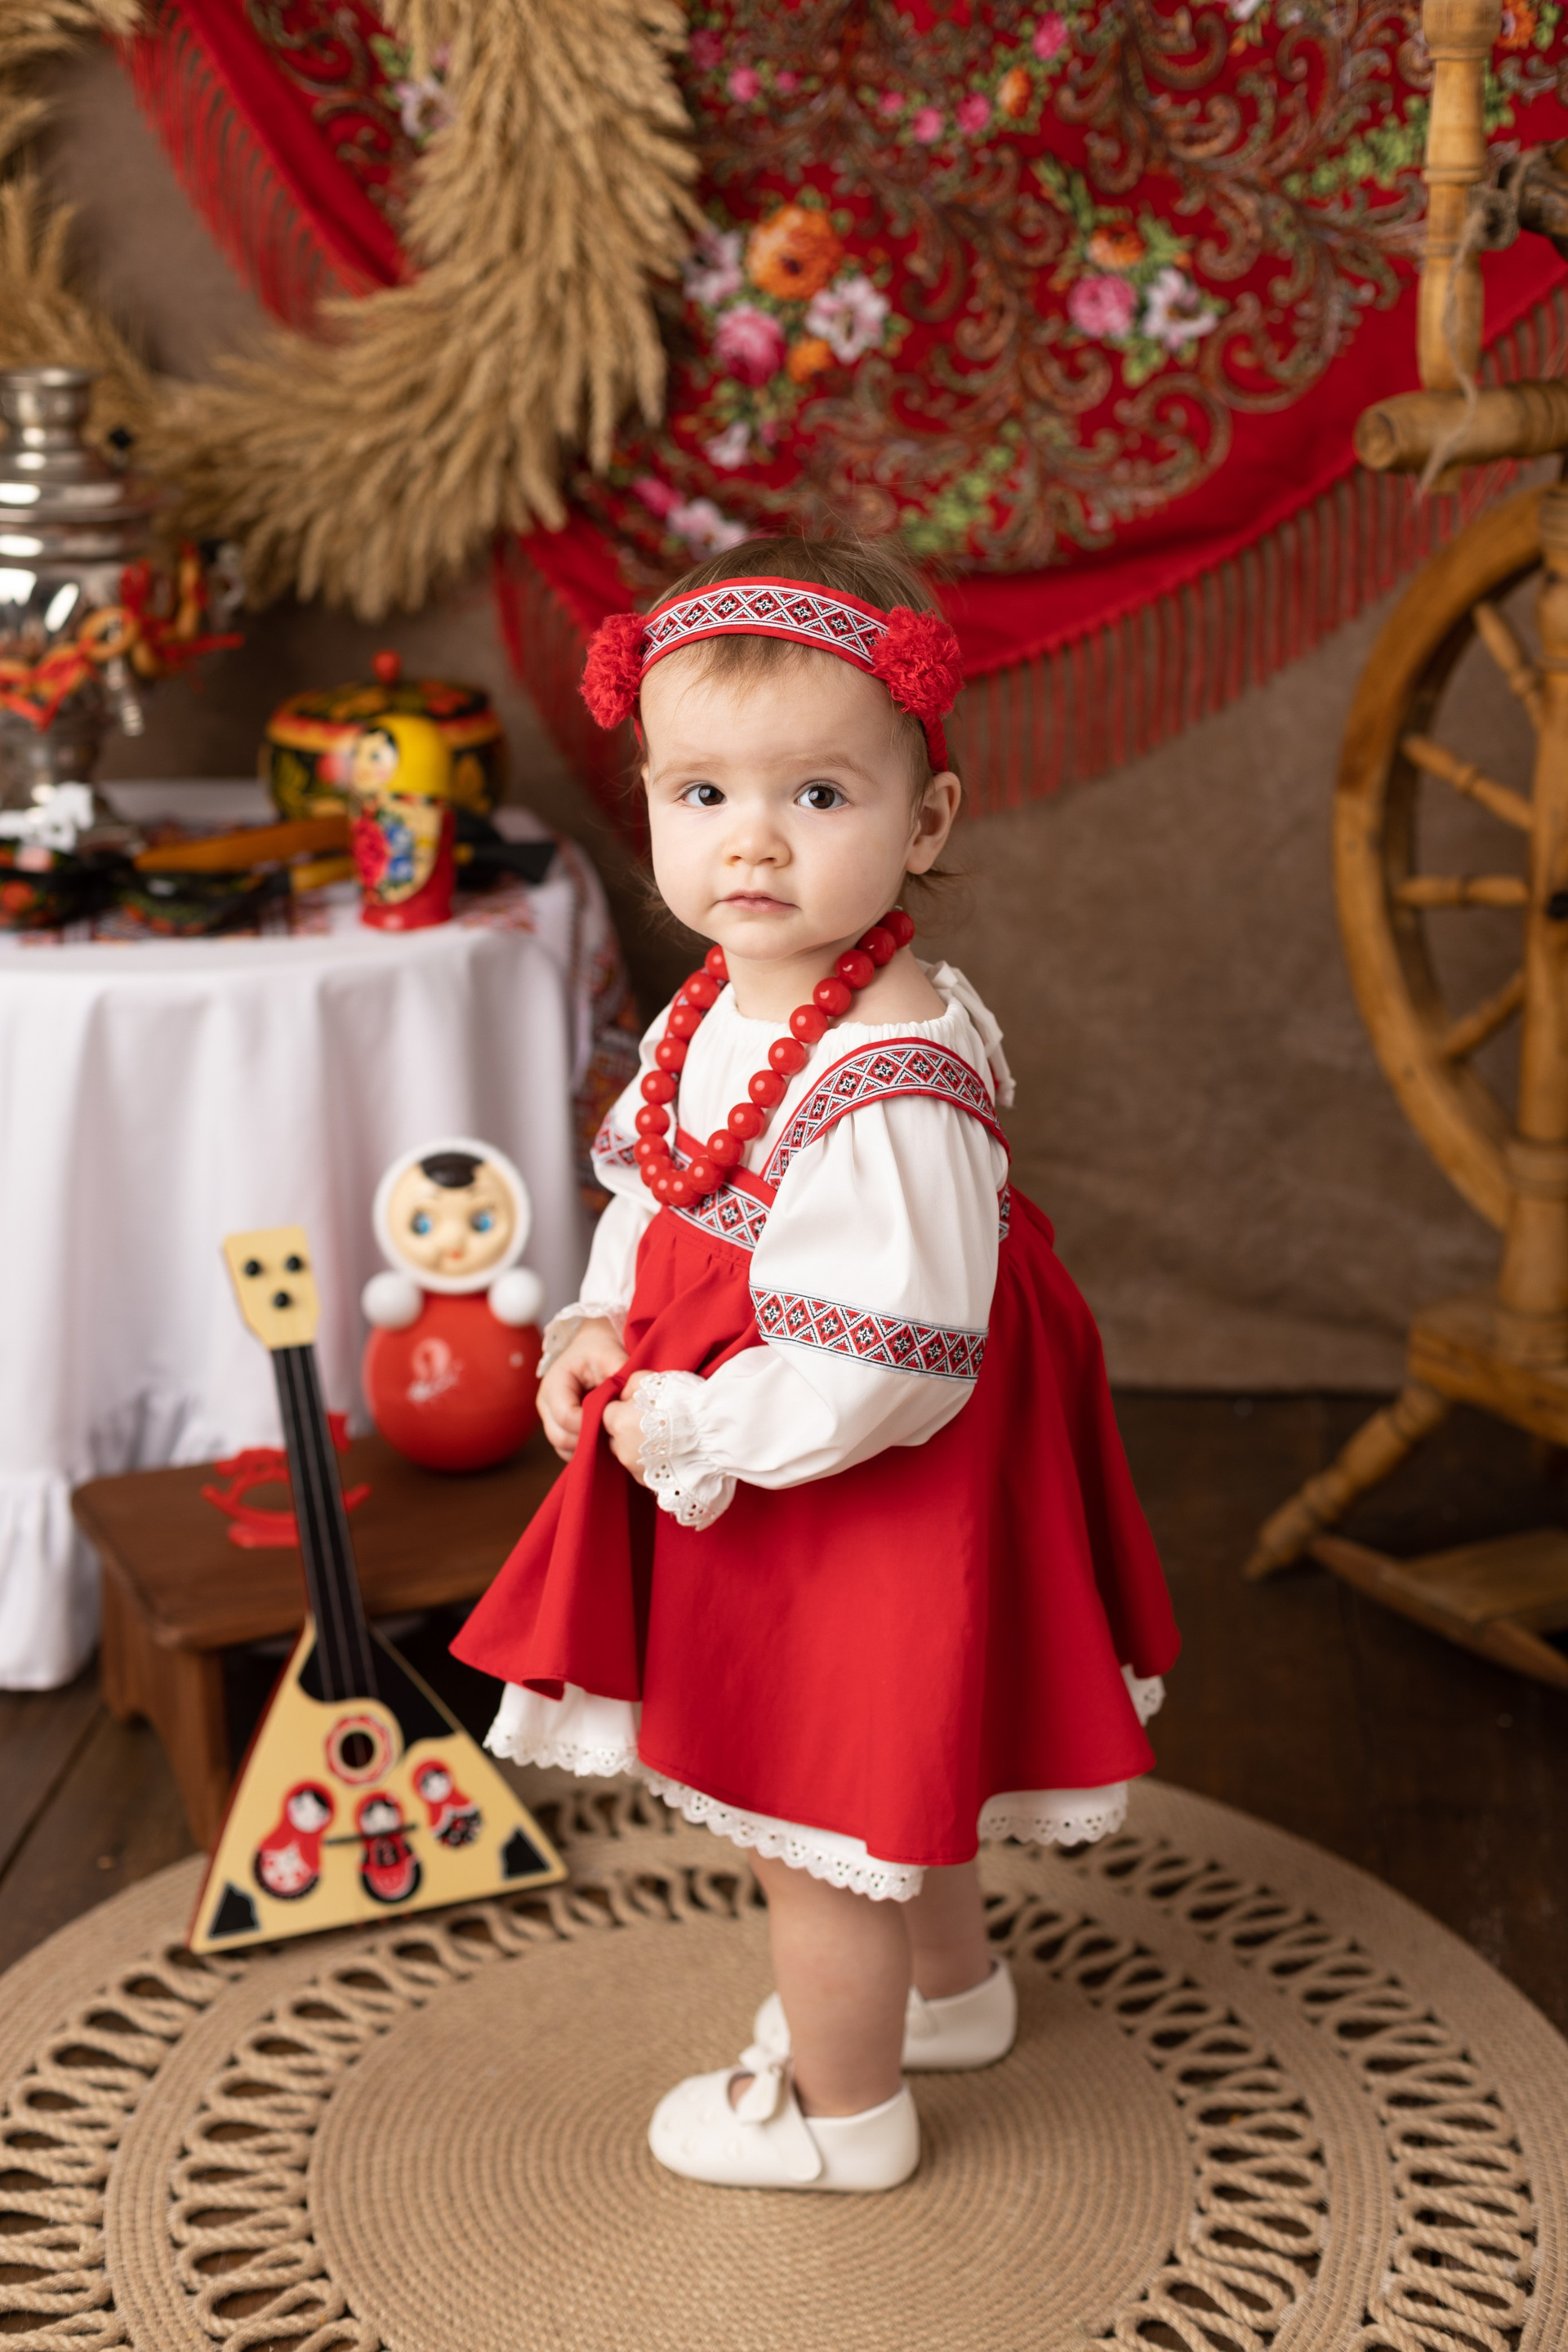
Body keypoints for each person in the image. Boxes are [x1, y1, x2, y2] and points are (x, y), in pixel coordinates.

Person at [452, 535, 1178, 2194]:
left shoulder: (890, 1072)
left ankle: (846, 2121)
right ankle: (952, 1996)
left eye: (820, 796)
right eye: (701, 793)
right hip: (765, 1432)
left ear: (925, 820)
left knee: (823, 1808)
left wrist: (701, 1425)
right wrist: (595, 1320)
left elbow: (895, 1363)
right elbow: (657, 1193)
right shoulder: (717, 1008)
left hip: (854, 1466)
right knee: (899, 1753)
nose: (754, 840)